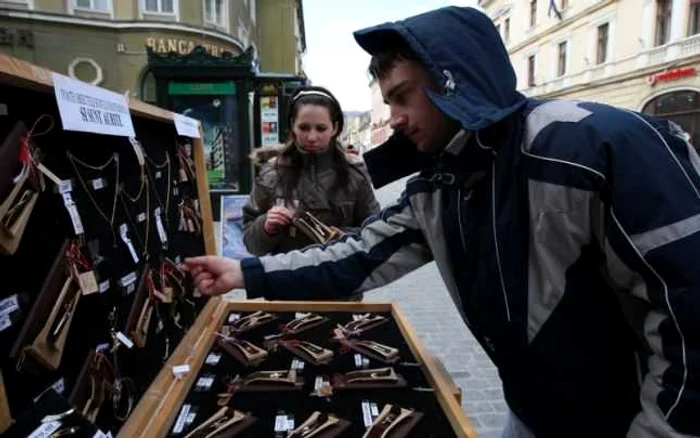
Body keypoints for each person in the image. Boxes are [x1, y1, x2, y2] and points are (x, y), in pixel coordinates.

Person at [184, 7, 700, 438]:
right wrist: (244, 272)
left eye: (404, 97)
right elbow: (357, 254)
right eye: (388, 103)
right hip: (531, 413)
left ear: (458, 80)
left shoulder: (598, 146)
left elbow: (690, 313)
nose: (396, 118)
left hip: (633, 423)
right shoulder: (439, 183)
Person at [241, 85, 380, 256]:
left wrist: (342, 239)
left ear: (334, 128)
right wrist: (266, 226)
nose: (312, 137)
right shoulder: (271, 173)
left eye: (321, 129)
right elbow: (251, 244)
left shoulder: (355, 174)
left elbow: (375, 233)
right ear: (293, 125)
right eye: (304, 128)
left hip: (339, 277)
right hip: (285, 277)